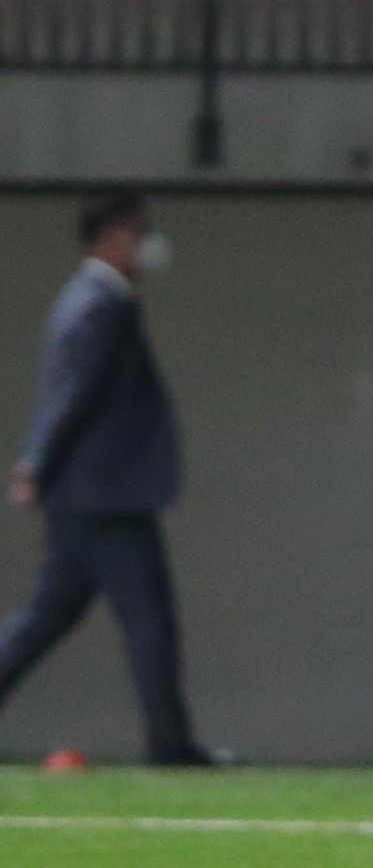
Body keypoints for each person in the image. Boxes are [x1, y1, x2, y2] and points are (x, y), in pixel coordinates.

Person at [0, 193, 217, 767]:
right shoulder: (100, 304)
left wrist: (41, 465)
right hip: (104, 497)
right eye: (140, 233)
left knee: (48, 617)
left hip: (90, 494)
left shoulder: (91, 300)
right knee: (148, 620)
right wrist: (36, 463)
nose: (148, 245)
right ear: (114, 237)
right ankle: (171, 747)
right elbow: (71, 393)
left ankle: (172, 743)